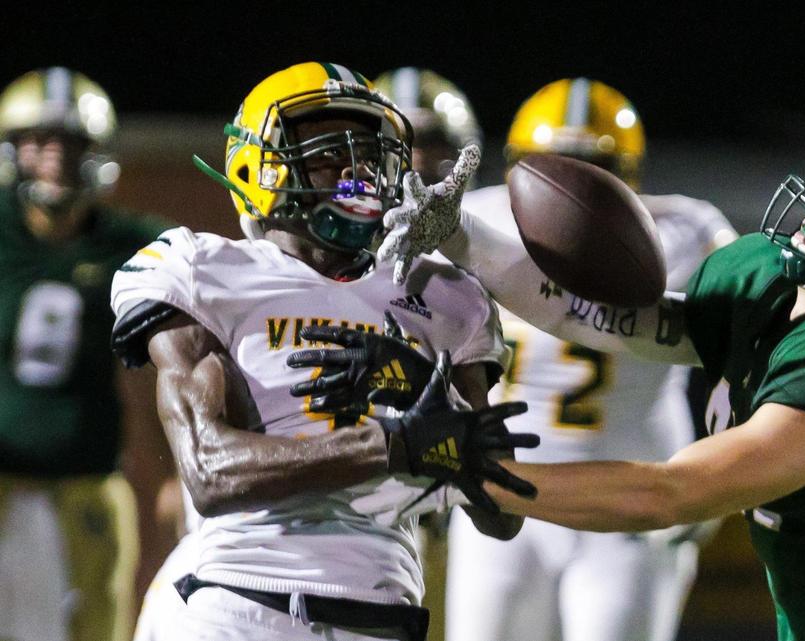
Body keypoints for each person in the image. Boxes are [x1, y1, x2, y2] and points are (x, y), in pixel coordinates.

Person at [342, 129, 805, 640]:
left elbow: (671, 490)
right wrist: (465, 239)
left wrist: (469, 470)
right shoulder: (777, 282)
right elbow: (634, 321)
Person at [108, 61, 534, 641]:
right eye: (328, 153)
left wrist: (426, 397)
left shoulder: (445, 294)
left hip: (385, 615)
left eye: (367, 152)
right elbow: (209, 470)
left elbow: (504, 513)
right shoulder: (205, 269)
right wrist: (391, 445)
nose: (356, 173)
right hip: (236, 603)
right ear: (254, 166)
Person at [445, 77, 737, 641]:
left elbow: (751, 329)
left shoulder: (685, 230)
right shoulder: (475, 220)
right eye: (551, 163)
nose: (568, 183)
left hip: (629, 499)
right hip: (507, 492)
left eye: (590, 165)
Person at [0, 66, 173, 641]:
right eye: (39, 142)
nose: (55, 158)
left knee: (101, 621)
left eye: (72, 144)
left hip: (89, 471)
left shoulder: (133, 242)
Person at [369, 66, 486, 641]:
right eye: (402, 144)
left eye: (433, 144)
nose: (417, 162)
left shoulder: (486, 233)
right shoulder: (328, 229)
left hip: (440, 490)